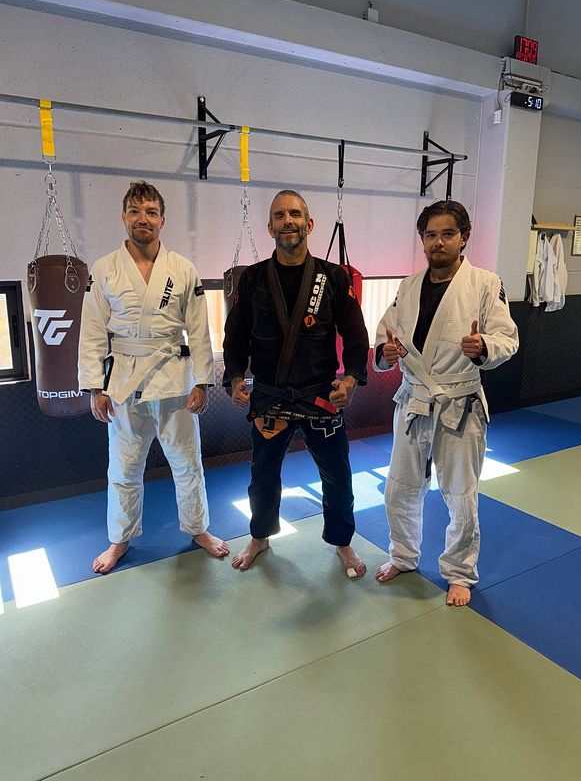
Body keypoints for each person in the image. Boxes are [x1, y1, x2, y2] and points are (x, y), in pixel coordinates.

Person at [79, 181, 229, 573]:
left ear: (163, 220)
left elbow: (199, 328)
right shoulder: (105, 268)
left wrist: (202, 381)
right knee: (124, 467)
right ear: (124, 217)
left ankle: (198, 530)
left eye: (150, 212)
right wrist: (95, 386)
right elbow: (93, 329)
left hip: (174, 378)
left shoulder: (182, 268)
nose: (142, 219)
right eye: (134, 211)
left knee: (187, 461)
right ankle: (120, 540)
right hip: (124, 381)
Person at [373, 200, 518, 605]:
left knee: (460, 494)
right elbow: (387, 336)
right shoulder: (408, 285)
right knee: (399, 488)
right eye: (431, 235)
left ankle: (458, 572)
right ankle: (403, 555)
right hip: (415, 400)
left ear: (464, 237)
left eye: (447, 234)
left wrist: (483, 346)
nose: (438, 242)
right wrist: (384, 355)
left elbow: (508, 339)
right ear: (422, 240)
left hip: (459, 403)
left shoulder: (486, 284)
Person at [223, 190, 370, 577]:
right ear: (270, 226)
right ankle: (259, 536)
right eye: (279, 215)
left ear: (309, 224)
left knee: (337, 474)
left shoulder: (334, 277)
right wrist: (236, 376)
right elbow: (234, 336)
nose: (287, 220)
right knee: (263, 474)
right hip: (270, 394)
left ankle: (343, 542)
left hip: (320, 393)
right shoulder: (252, 278)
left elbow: (356, 334)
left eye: (294, 213)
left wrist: (352, 376)